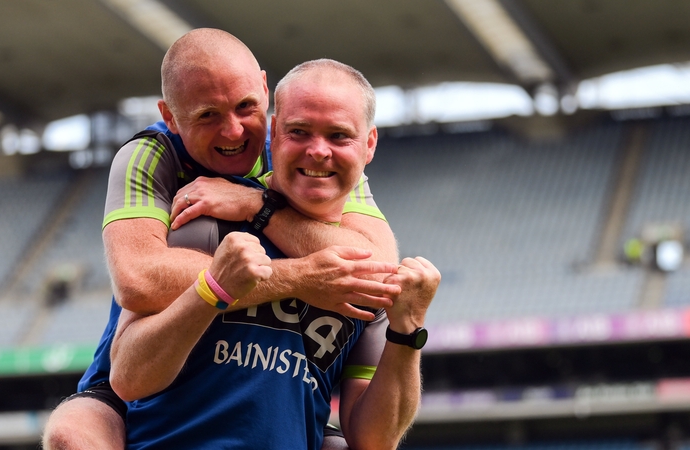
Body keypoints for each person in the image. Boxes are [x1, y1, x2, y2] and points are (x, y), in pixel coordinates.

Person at [42, 29, 400, 450]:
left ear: (265, 91)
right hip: (130, 381)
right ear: (171, 116)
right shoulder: (155, 153)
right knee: (74, 432)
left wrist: (254, 205)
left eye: (247, 106)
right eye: (207, 115)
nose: (233, 131)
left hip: (286, 403)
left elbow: (374, 267)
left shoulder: (308, 149)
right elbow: (138, 280)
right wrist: (300, 277)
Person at [110, 59, 440, 450]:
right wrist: (214, 288)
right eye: (299, 132)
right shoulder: (206, 219)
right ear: (273, 132)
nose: (318, 152)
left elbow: (373, 440)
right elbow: (128, 379)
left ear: (369, 145)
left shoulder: (366, 278)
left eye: (339, 136)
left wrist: (408, 330)